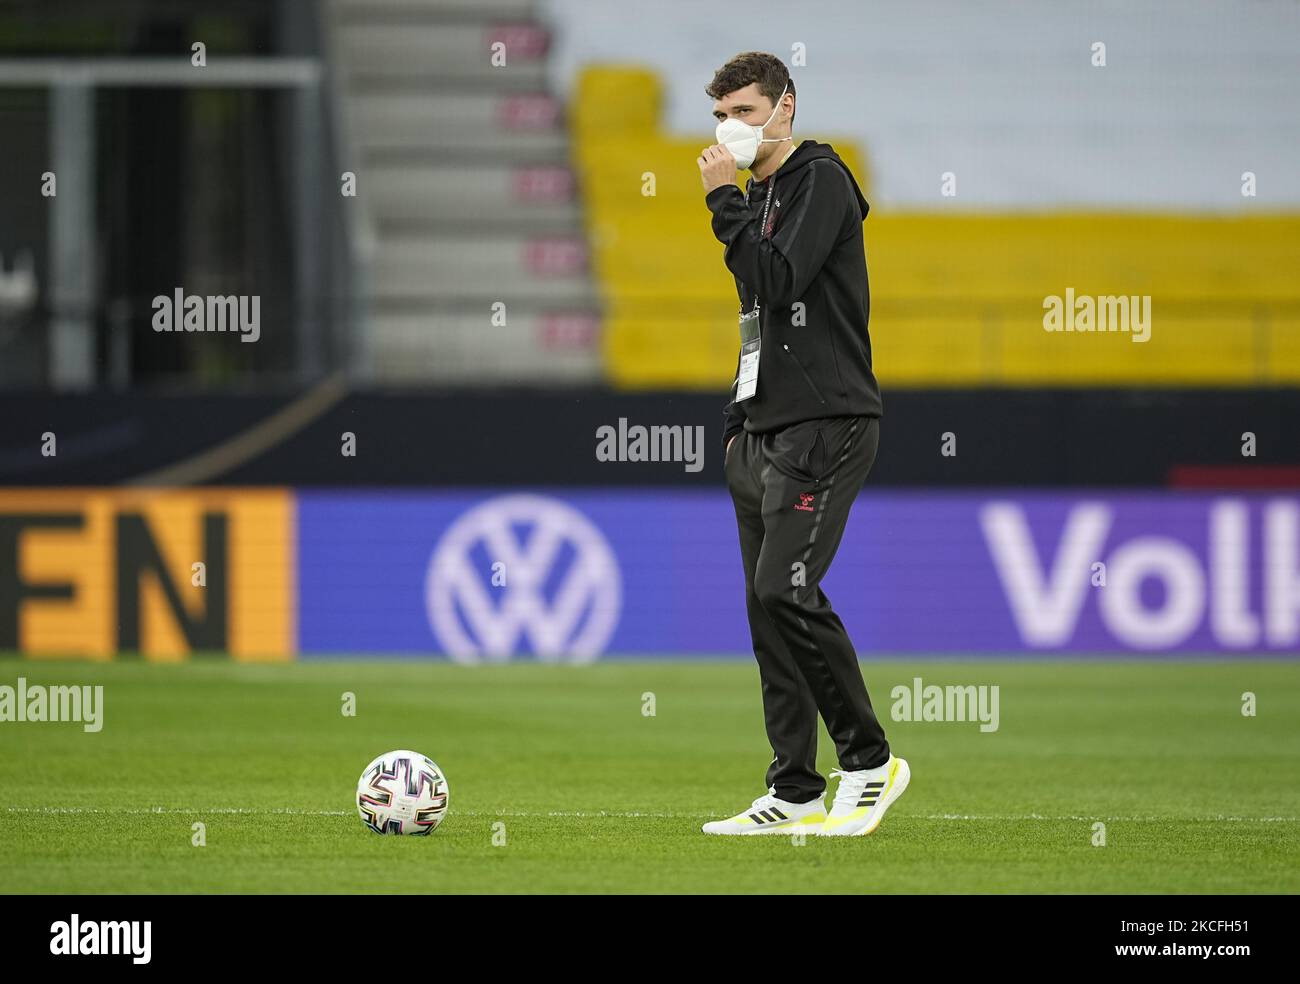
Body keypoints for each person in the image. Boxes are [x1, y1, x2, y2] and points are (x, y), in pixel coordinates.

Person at [696, 51, 908, 836]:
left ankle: (870, 762)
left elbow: (779, 281)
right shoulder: (764, 193)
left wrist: (723, 202)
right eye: (722, 115)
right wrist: (736, 421)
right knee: (766, 608)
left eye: (746, 112)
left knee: (786, 588)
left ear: (786, 108)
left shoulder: (819, 178)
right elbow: (762, 315)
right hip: (761, 428)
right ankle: (792, 788)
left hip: (827, 422)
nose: (731, 128)